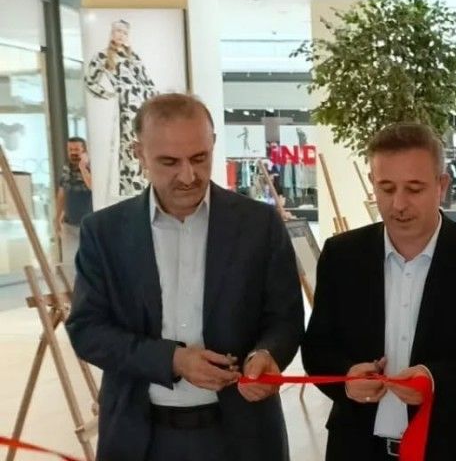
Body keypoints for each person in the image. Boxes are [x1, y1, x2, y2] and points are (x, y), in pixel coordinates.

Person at [65, 94, 303, 461]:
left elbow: (284, 318)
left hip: (243, 437)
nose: (188, 176)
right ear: (139, 153)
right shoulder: (105, 232)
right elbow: (87, 330)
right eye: (169, 162)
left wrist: (266, 354)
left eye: (199, 158)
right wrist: (172, 360)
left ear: (213, 145)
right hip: (139, 438)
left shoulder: (259, 225)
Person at [301, 122, 456, 461]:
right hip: (357, 447)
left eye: (414, 189)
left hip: (454, 448)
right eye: (386, 188)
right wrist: (346, 379)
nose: (398, 204)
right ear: (372, 183)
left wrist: (434, 380)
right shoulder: (342, 256)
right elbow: (317, 349)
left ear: (442, 186)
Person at [85, 19, 158, 199]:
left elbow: (147, 81)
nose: (121, 35)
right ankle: (130, 191)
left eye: (124, 32)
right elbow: (90, 80)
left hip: (143, 105)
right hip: (126, 107)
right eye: (118, 31)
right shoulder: (103, 56)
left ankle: (146, 188)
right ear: (112, 33)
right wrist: (109, 94)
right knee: (129, 147)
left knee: (146, 145)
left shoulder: (134, 57)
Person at [55, 137, 94, 271]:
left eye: (76, 149)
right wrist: (57, 217)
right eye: (70, 149)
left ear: (84, 150)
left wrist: (83, 167)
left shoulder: (92, 167)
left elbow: (92, 186)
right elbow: (61, 194)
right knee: (69, 265)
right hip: (69, 224)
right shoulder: (66, 168)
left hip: (88, 225)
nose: (73, 153)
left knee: (89, 263)